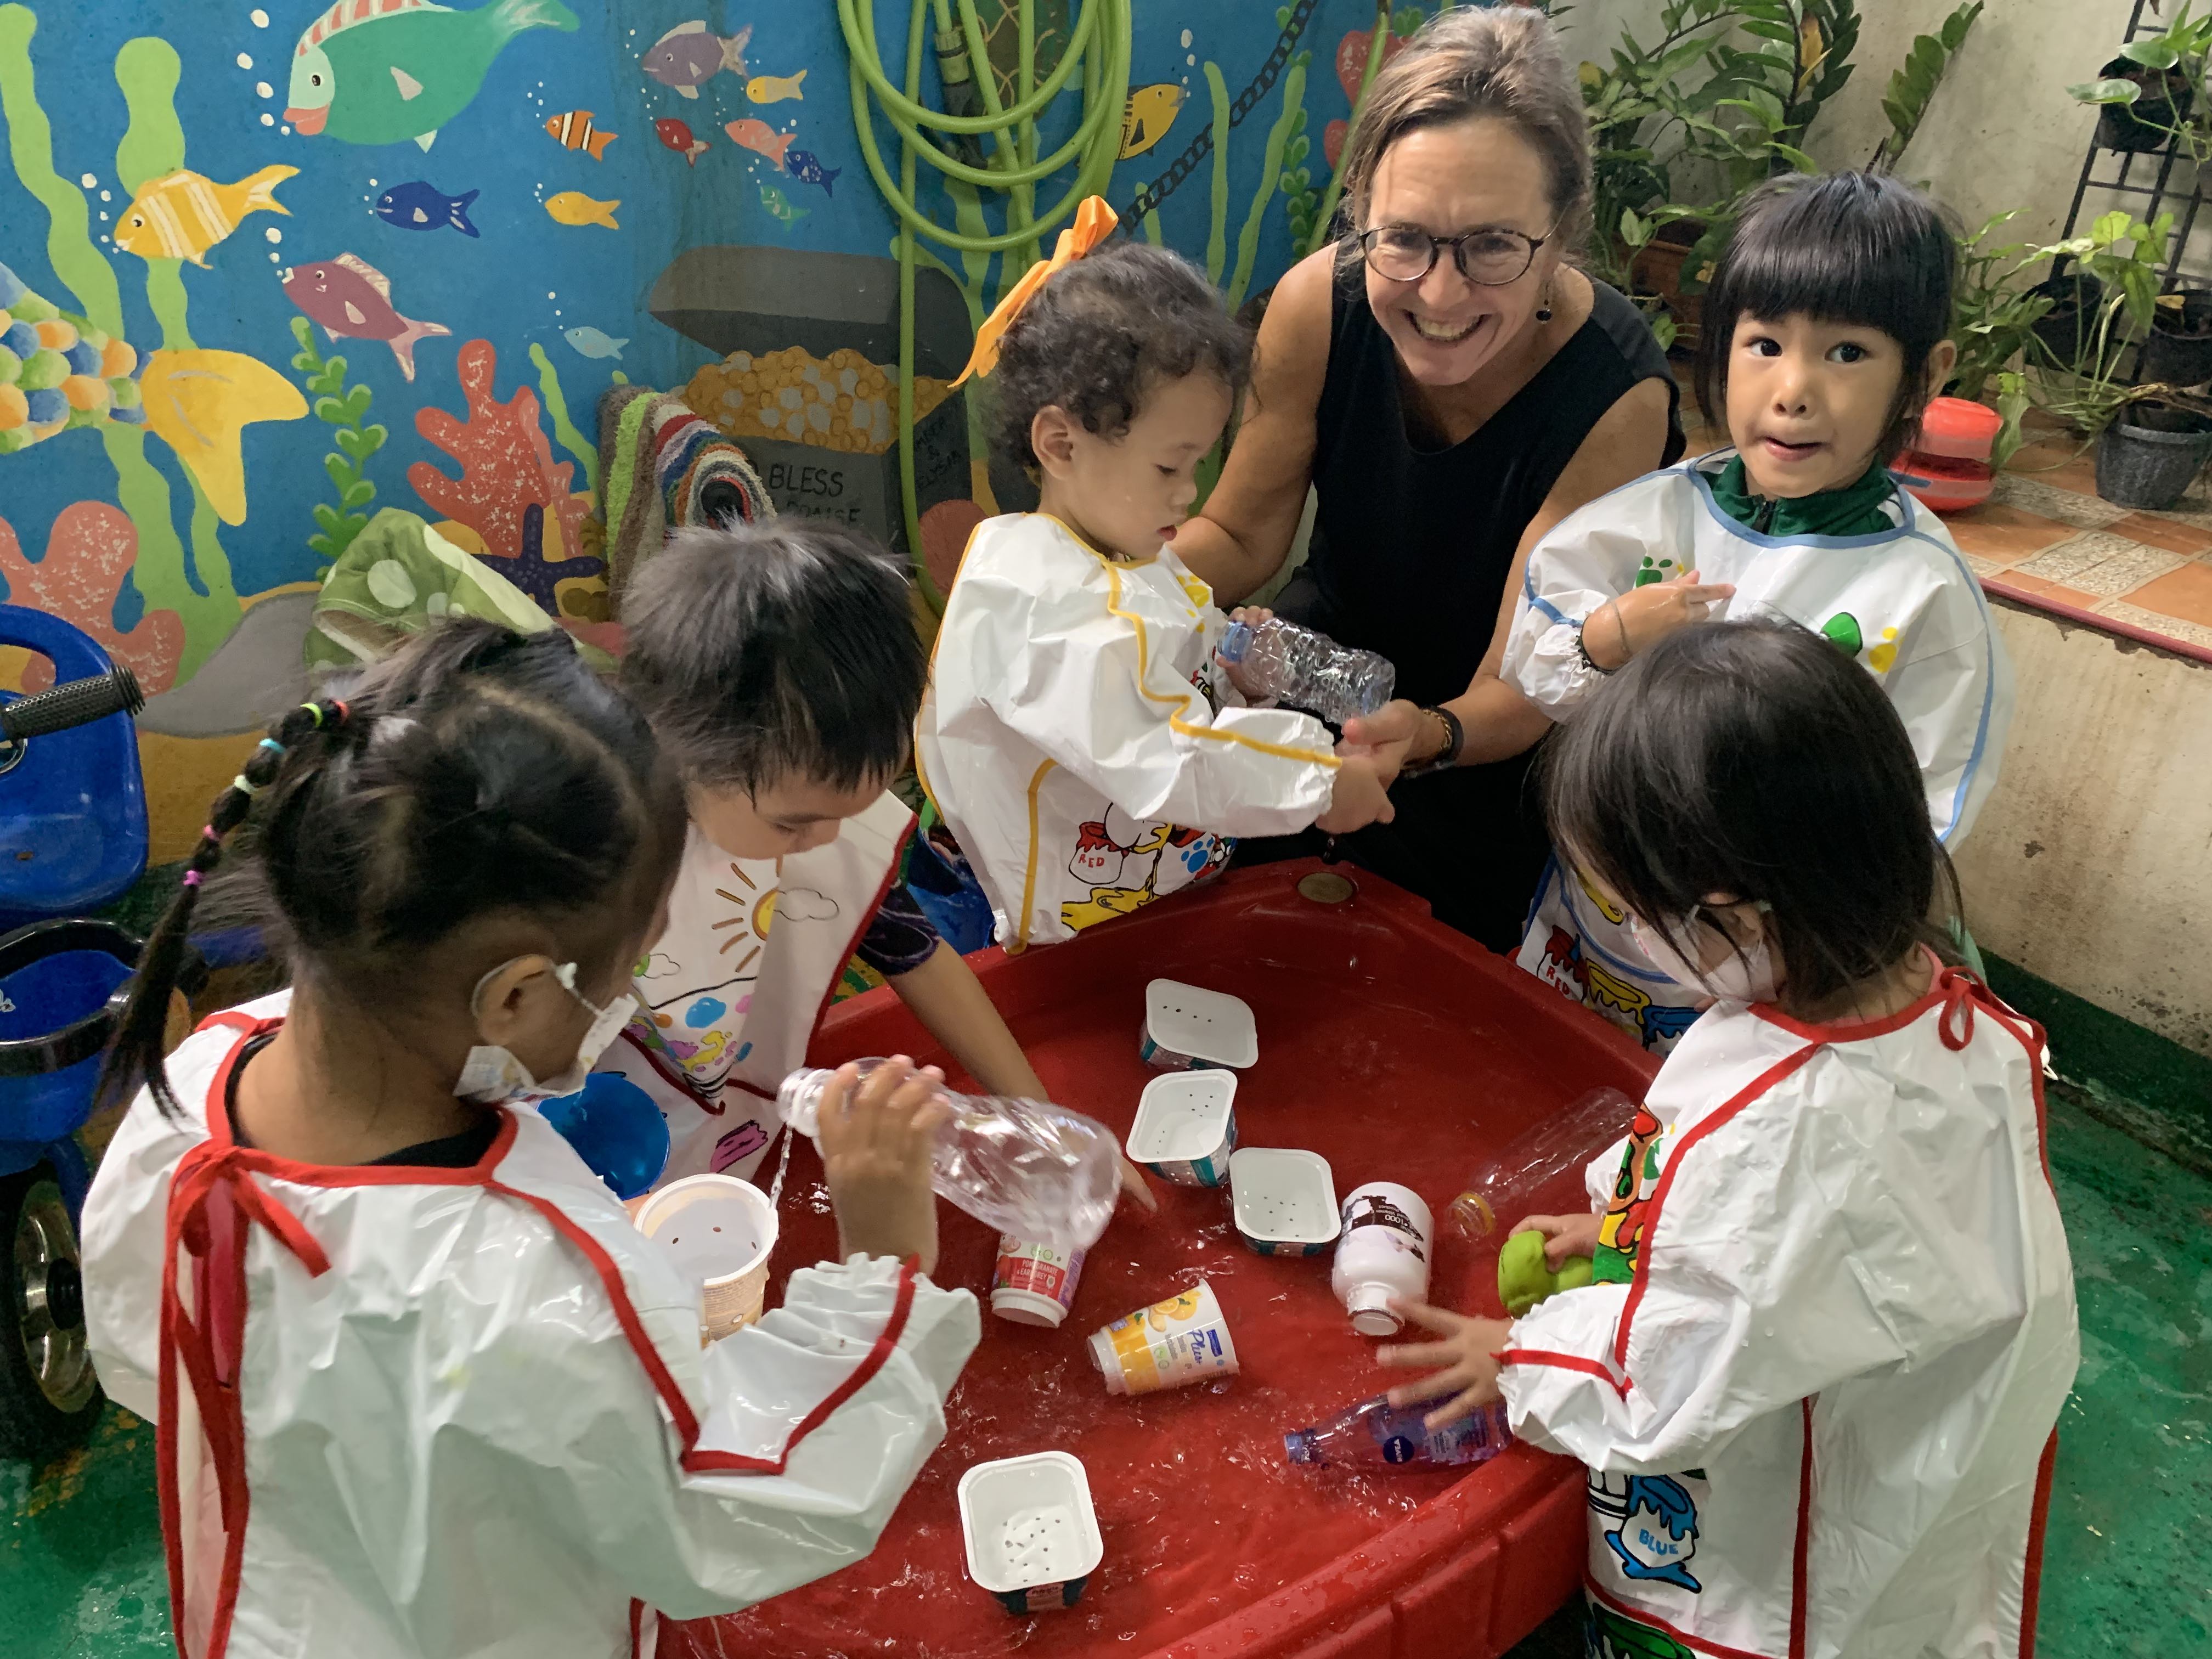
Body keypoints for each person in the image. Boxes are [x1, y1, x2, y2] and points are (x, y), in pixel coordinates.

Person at [79, 622, 981, 1659]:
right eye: (619, 976)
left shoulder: (193, 1081)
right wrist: (884, 1269)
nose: (624, 1003)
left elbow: (144, 1359)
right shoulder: (530, 1281)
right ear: (512, 995)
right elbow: (722, 1508)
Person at [1379, 619, 2076, 1659]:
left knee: (1801, 1601)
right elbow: (1781, 1243)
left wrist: (1524, 1353)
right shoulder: (1939, 1005)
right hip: (1921, 1418)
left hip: (1807, 1489)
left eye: (1629, 907)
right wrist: (1629, 1222)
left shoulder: (1791, 1129)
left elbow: (1680, 1381)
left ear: (1733, 911)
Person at [1170, 5, 1683, 952]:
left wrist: (1423, 734)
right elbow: (1241, 537)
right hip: (1314, 677)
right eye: (1402, 239)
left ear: (1561, 232)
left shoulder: (1616, 393)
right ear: (1359, 210)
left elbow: (1523, 681)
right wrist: (1105, 595)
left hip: (1488, 745)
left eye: (1492, 246)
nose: (1440, 295)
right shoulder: (1316, 307)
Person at [1503, 170, 2011, 1053]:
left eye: (1848, 353)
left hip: (1768, 976)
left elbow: (1916, 823)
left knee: (1692, 1143)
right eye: (1765, 344)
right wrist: (1609, 637)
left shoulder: (1921, 595)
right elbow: (1536, 669)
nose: (1795, 389)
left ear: (1923, 375)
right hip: (1593, 924)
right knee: (1549, 1075)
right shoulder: (1655, 515)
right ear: (1719, 345)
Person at [610, 520, 1158, 1209]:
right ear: (677, 746)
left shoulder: (796, 785)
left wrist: (1044, 1123)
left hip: (723, 1144)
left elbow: (914, 951)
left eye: (854, 810)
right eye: (796, 824)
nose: (827, 841)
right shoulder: (597, 852)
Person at [915, 198, 1394, 951]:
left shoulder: (1121, 547)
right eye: (1171, 465)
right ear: (1061, 446)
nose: (1189, 493)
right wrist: (1322, 780)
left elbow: (1170, 663)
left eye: (1198, 463)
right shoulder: (1044, 603)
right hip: (1065, 934)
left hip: (1150, 895)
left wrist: (1236, 670)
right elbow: (1168, 753)